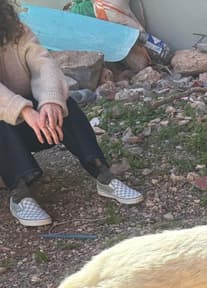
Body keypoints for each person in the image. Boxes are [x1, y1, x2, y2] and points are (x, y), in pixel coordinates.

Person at [0, 0, 142, 227]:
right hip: (7, 130)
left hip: (34, 125)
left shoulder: (15, 30)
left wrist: (50, 102)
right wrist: (24, 111)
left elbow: (43, 64)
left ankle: (103, 174)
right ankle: (20, 193)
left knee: (63, 103)